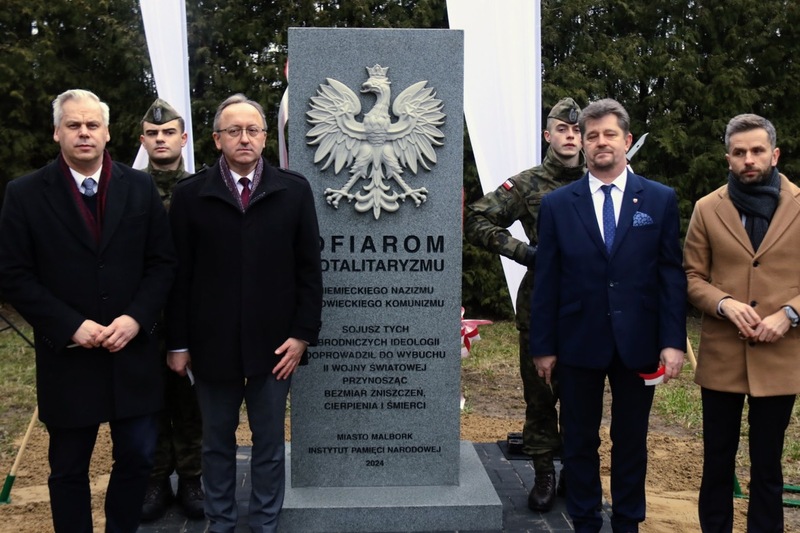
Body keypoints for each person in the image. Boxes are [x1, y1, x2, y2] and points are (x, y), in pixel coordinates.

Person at [0, 89, 176, 532]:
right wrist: (70, 325)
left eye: (92, 125)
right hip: (69, 358)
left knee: (138, 457)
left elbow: (162, 263)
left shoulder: (138, 187)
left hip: (130, 352)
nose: (84, 133)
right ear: (57, 131)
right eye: (74, 125)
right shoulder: (24, 194)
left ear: (108, 132)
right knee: (68, 469)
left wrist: (136, 318)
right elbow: (13, 274)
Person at [165, 93, 323, 533]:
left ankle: (265, 525)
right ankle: (221, 523)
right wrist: (178, 343)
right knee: (216, 444)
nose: (244, 138)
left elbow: (310, 269)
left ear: (265, 137)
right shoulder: (192, 195)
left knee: (269, 444)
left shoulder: (292, 190)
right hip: (210, 347)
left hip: (277, 346)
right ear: (217, 139)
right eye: (233, 131)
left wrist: (302, 335)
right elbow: (178, 278)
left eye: (252, 130)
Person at [530, 98, 686, 533]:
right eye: (591, 135)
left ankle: (628, 521)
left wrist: (672, 341)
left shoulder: (658, 199)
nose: (600, 143)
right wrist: (542, 346)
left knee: (630, 440)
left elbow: (670, 275)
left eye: (609, 134)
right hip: (578, 340)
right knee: (579, 440)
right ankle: (583, 520)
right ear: (581, 142)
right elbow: (548, 280)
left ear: (627, 140)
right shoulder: (559, 204)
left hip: (639, 341)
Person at [464, 97, 585, 512]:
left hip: (590, 309)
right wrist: (525, 252)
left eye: (577, 130)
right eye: (563, 130)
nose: (570, 137)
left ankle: (574, 471)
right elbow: (477, 218)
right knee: (540, 395)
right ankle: (544, 475)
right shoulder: (529, 183)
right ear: (548, 135)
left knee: (581, 397)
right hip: (542, 306)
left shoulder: (602, 181)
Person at [684, 113, 800, 532]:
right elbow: (691, 277)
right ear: (728, 158)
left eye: (756, 150)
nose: (748, 159)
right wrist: (724, 304)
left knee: (767, 464)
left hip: (780, 357)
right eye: (739, 152)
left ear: (775, 153)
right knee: (718, 459)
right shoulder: (707, 208)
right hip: (723, 358)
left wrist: (790, 315)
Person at [137, 98, 205, 521]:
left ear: (183, 138)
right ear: (143, 141)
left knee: (191, 401)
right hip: (142, 317)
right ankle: (155, 479)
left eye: (168, 133)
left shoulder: (200, 190)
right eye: (153, 133)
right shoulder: (127, 187)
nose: (161, 139)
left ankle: (193, 477)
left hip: (191, 315)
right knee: (149, 401)